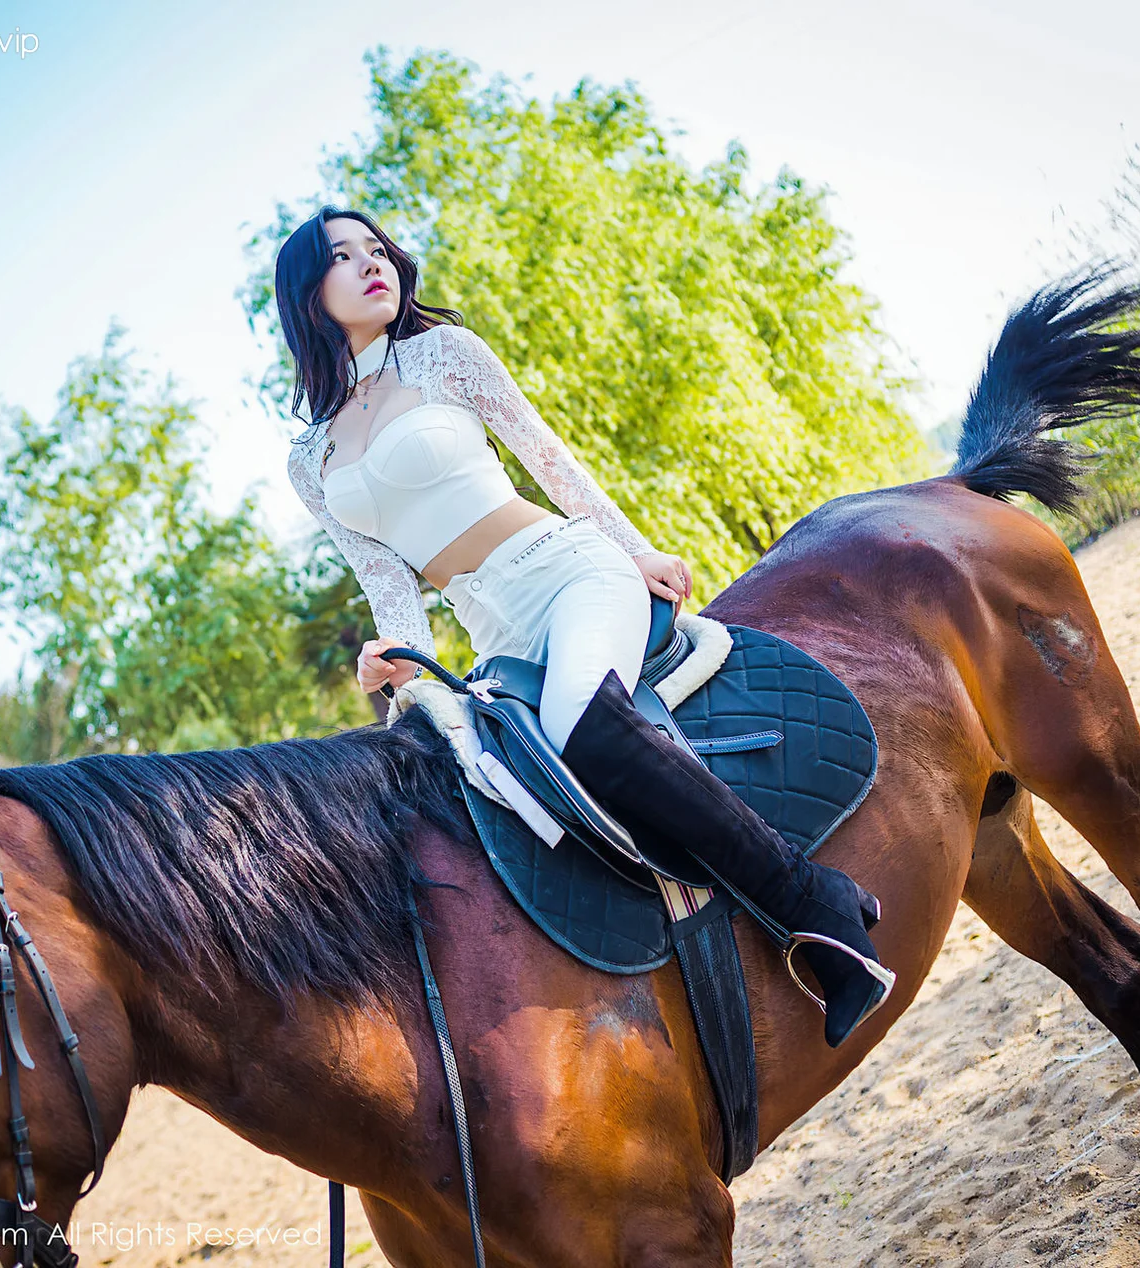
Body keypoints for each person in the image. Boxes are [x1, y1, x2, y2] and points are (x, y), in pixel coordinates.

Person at [276, 206, 893, 1047]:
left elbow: (548, 455)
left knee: (581, 724)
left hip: (565, 572)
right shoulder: (309, 459)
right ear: (308, 296)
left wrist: (635, 551)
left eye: (376, 249)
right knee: (484, 790)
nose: (371, 263)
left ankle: (811, 900)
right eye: (342, 257)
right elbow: (387, 579)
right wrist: (396, 676)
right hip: (490, 631)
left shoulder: (444, 356)